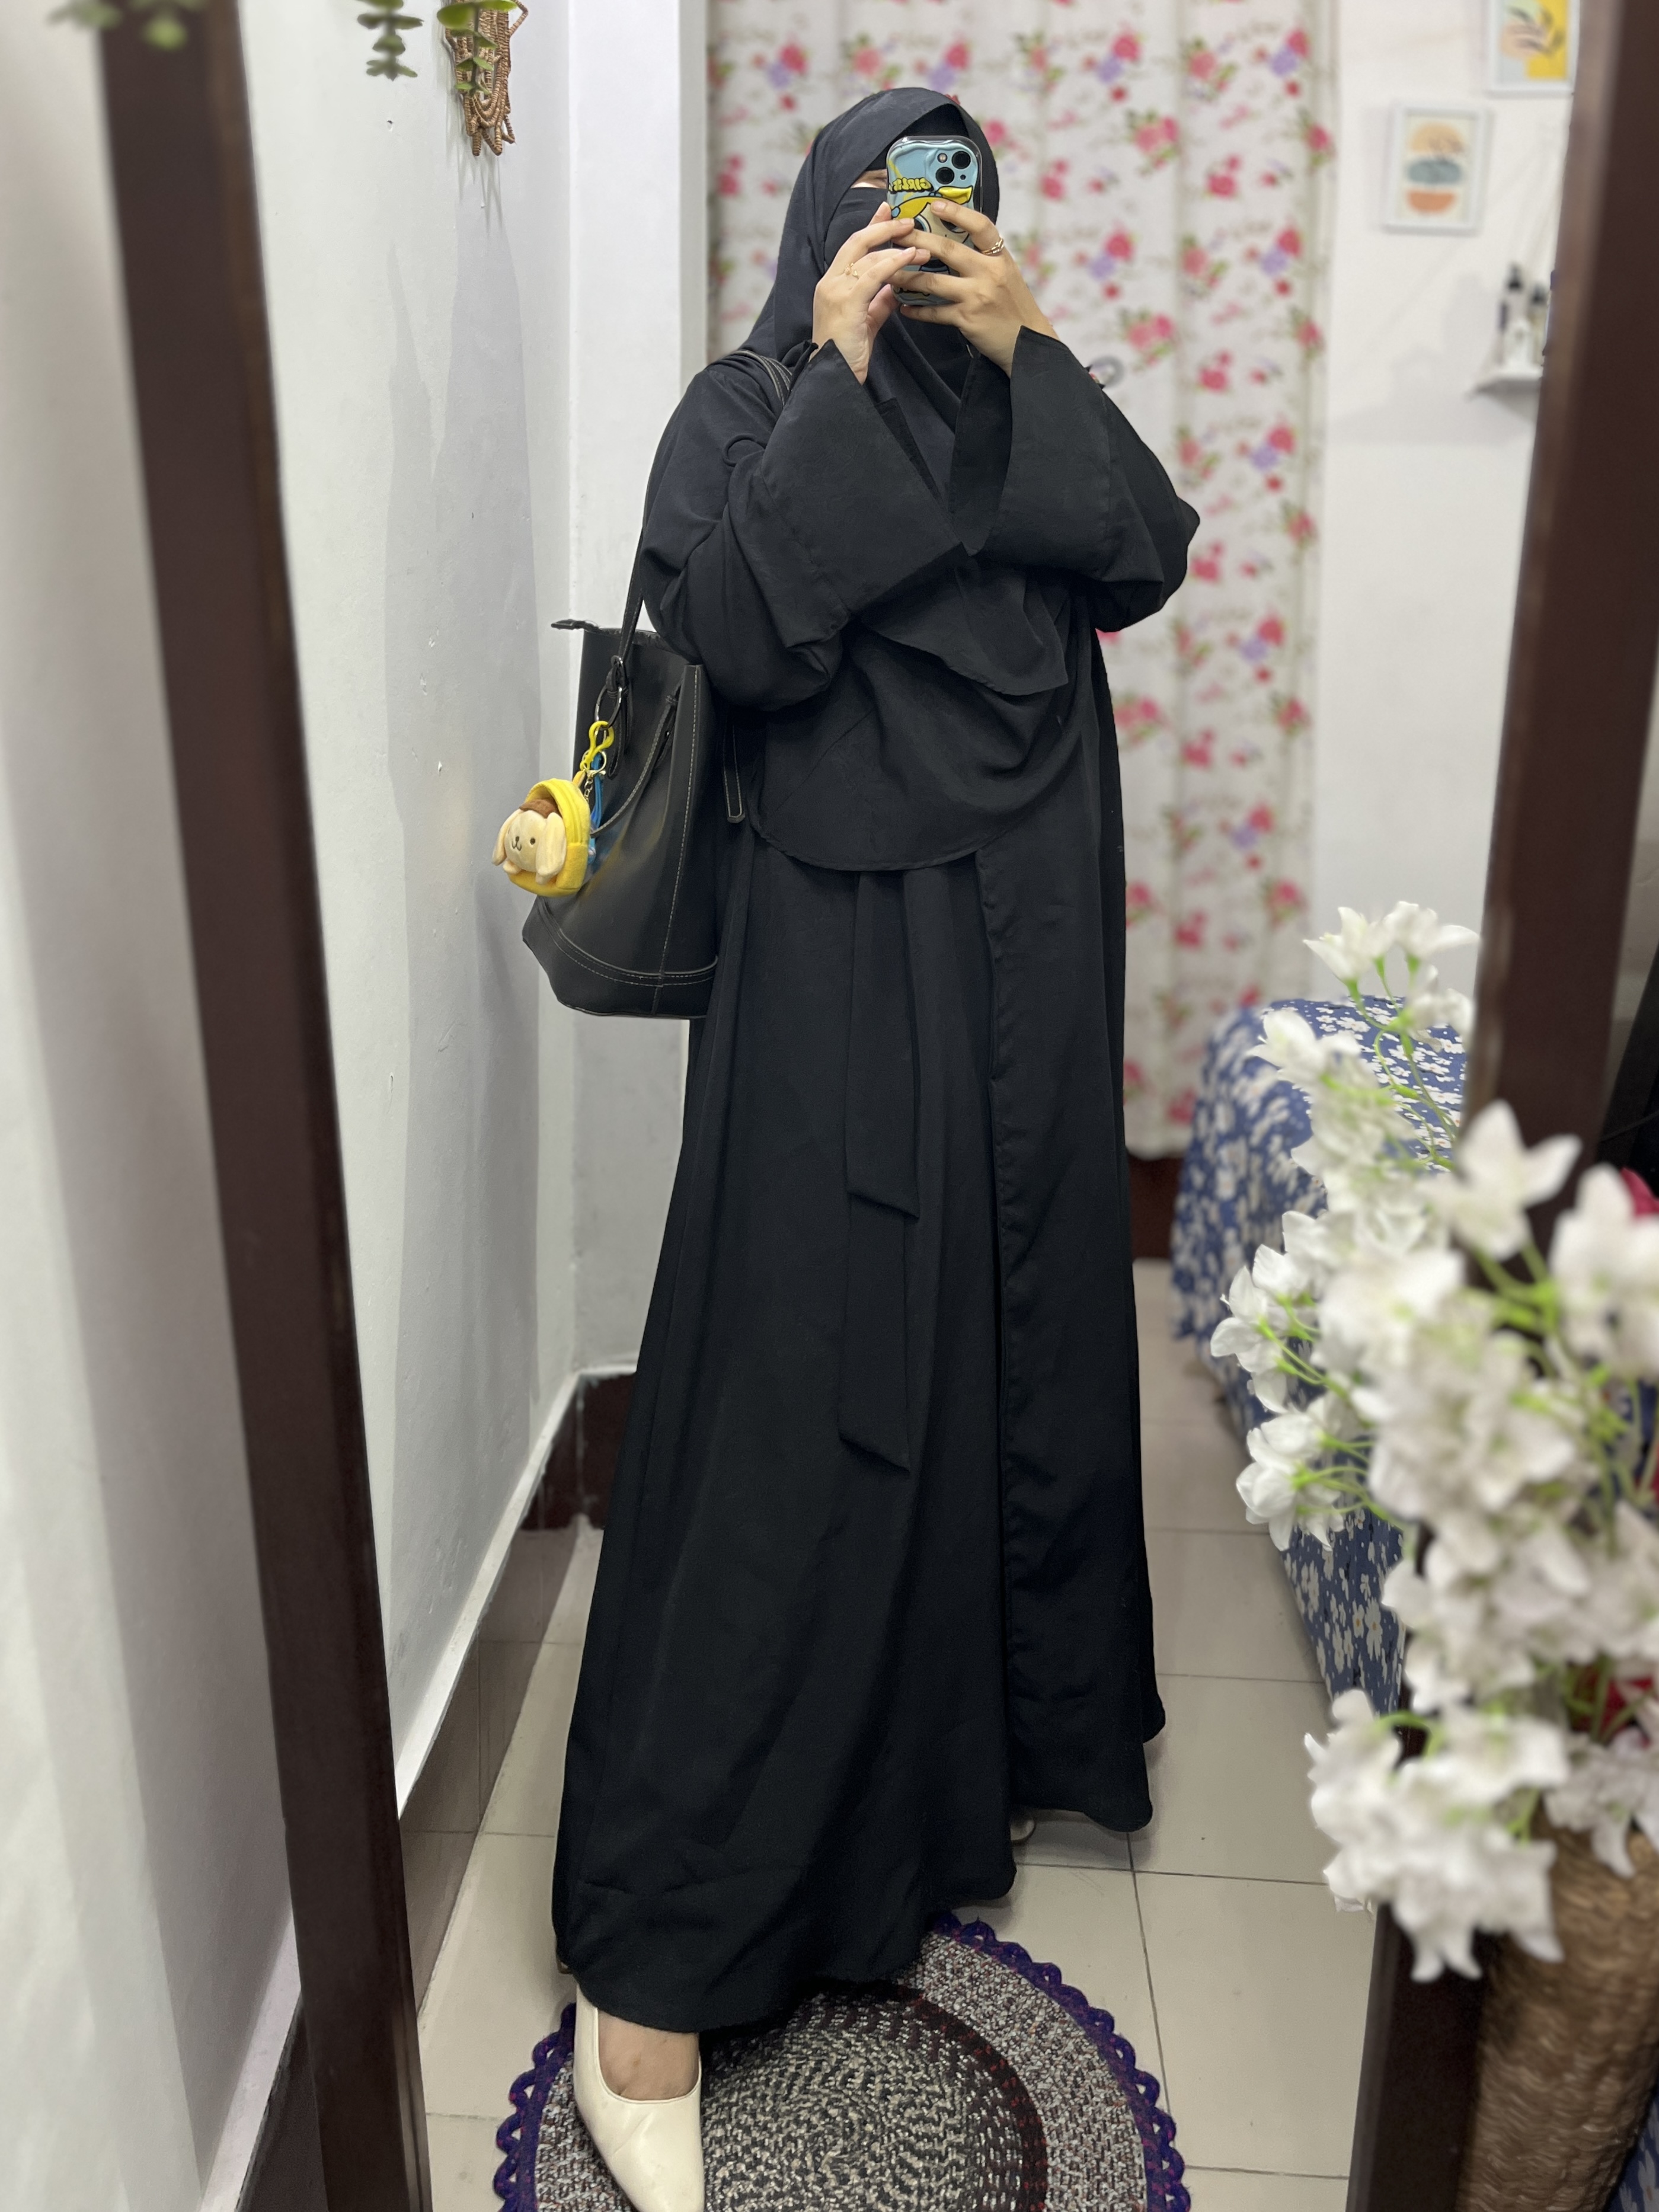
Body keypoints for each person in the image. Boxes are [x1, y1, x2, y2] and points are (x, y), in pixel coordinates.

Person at [545, 85, 1197, 2212]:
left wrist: (1027, 344)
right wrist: (834, 372)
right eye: (894, 204)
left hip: (1024, 959)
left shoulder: (1024, 405)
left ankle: (947, 1777)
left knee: (1001, 1345)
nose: (925, 233)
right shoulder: (744, 409)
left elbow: (1145, 553)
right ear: (827, 214)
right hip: (834, 967)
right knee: (804, 1388)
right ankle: (668, 1943)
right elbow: (733, 640)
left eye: (960, 206)